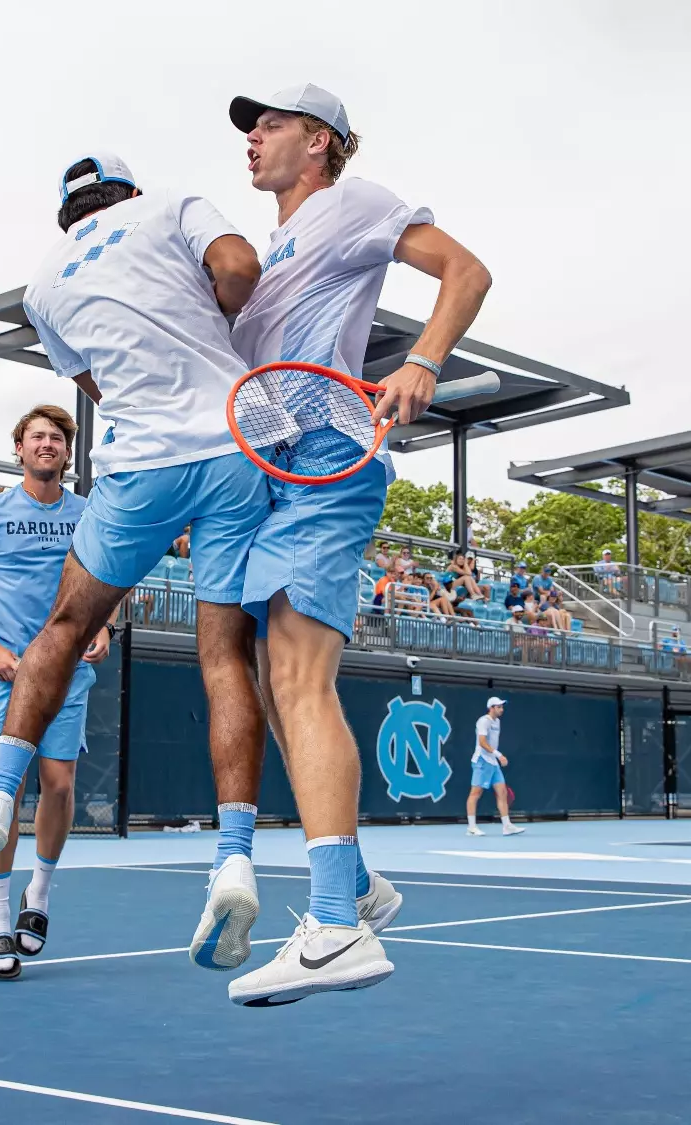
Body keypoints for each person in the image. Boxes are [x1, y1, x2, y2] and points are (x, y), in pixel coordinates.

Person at [0, 150, 306, 993]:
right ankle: (235, 859)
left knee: (65, 625)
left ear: (68, 214)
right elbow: (240, 269)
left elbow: (95, 382)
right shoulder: (173, 203)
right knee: (223, 658)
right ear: (129, 192)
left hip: (141, 468)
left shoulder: (42, 285)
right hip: (235, 450)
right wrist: (220, 329)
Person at [221, 83, 490, 1004]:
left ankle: (335, 923)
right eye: (249, 128)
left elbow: (467, 271)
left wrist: (422, 360)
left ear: (321, 141)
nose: (252, 138)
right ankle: (361, 884)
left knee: (299, 682)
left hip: (330, 454)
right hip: (270, 471)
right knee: (273, 686)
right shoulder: (264, 254)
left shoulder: (354, 203)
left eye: (269, 124)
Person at [0, 405, 107, 979]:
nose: (47, 444)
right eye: (37, 437)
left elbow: (110, 577)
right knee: (5, 797)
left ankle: (41, 894)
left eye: (57, 438)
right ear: (19, 448)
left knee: (58, 785)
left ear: (66, 451)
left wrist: (102, 626)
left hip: (67, 672)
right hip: (6, 672)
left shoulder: (87, 514)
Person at [466, 698, 524, 836]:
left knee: (502, 792)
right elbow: (482, 742)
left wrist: (496, 757)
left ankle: (507, 826)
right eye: (499, 707)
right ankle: (472, 828)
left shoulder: (497, 722)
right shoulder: (483, 721)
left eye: (502, 707)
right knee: (475, 793)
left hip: (493, 762)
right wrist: (499, 755)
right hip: (481, 761)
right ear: (491, 708)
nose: (502, 710)